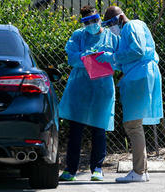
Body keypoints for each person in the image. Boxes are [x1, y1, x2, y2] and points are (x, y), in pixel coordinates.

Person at [97, 6, 163, 183]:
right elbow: (129, 57)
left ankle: (139, 172)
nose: (111, 28)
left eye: (111, 24)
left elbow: (137, 51)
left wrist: (113, 57)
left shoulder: (131, 26)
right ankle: (142, 170)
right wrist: (109, 59)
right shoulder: (131, 28)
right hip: (139, 74)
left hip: (139, 76)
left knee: (133, 125)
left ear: (119, 18)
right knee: (135, 124)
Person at [58, 5, 119, 181]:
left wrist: (108, 57)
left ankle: (97, 168)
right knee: (76, 131)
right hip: (80, 89)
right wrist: (85, 56)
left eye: (95, 20)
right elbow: (71, 57)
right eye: (87, 22)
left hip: (102, 89)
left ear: (100, 18)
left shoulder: (112, 36)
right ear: (83, 23)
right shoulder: (78, 35)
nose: (92, 24)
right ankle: (70, 170)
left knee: (99, 130)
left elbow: (119, 58)